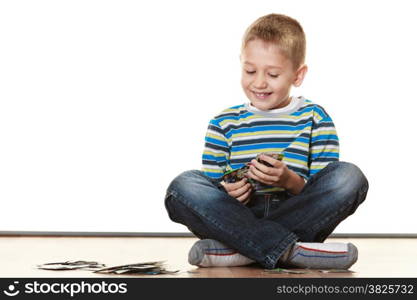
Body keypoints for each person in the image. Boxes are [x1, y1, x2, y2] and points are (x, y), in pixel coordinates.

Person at [164, 13, 369, 270]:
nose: (259, 82)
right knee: (182, 186)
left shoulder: (315, 118)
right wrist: (228, 193)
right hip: (238, 217)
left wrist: (289, 181)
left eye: (272, 74)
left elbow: (323, 185)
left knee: (349, 177)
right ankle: (289, 250)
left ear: (298, 75)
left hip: (297, 212)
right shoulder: (223, 123)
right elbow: (211, 189)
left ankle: (239, 252)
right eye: (250, 71)